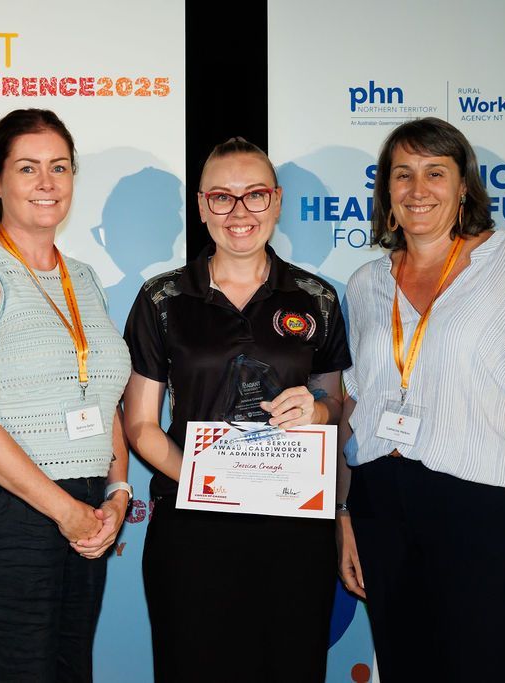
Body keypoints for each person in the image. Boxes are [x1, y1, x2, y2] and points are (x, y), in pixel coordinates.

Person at [336, 116, 505, 682]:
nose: (419, 190)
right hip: (380, 506)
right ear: (387, 191)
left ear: (463, 186)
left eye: (435, 172)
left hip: (479, 512)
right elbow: (351, 410)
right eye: (403, 174)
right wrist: (344, 515)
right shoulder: (365, 283)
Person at [123, 138, 351, 682]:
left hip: (294, 527)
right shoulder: (163, 298)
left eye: (254, 196)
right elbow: (139, 424)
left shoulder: (316, 297)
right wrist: (206, 481)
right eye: (222, 198)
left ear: (276, 201)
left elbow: (336, 401)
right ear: (202, 206)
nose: (239, 212)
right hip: (193, 528)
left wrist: (318, 413)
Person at [0, 108, 133, 682]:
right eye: (28, 167)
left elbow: (102, 395)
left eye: (59, 168)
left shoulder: (83, 277)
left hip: (83, 512)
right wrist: (67, 513)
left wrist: (115, 491)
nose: (47, 183)